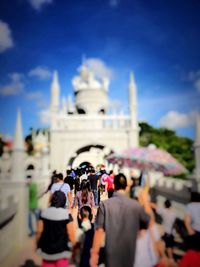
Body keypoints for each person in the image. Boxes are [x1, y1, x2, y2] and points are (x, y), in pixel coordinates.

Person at [90, 173, 150, 267]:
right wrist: (145, 201)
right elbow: (147, 222)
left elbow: (99, 231)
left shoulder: (105, 205)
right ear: (126, 187)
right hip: (130, 255)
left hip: (111, 255)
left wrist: (94, 254)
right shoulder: (136, 206)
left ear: (113, 186)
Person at [36, 191, 76, 267]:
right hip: (62, 251)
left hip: (46, 251)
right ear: (64, 201)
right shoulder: (67, 215)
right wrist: (74, 249)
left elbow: (39, 232)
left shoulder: (44, 213)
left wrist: (38, 245)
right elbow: (71, 234)